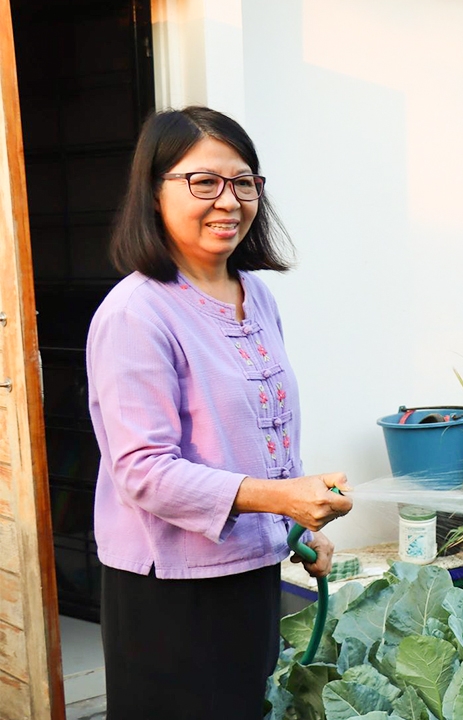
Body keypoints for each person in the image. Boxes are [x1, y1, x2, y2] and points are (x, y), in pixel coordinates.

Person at [87, 107, 353, 719]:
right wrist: (281, 498)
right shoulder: (136, 313)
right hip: (170, 595)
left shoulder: (256, 295)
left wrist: (299, 524)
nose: (228, 201)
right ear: (154, 192)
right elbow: (143, 471)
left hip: (251, 575)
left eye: (243, 182)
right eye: (203, 182)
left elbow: (264, 434)